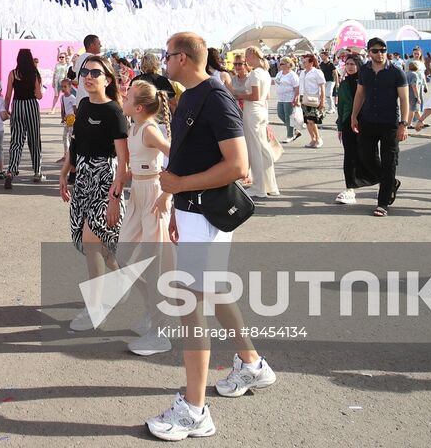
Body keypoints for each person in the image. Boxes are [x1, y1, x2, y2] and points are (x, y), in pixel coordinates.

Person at [148, 32, 275, 440]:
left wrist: (180, 188)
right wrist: (176, 205)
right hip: (193, 214)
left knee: (192, 307)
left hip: (205, 214)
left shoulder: (215, 97)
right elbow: (189, 158)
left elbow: (237, 165)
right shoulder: (191, 96)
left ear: (182, 58)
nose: (163, 61)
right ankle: (252, 364)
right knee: (216, 294)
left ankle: (195, 410)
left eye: (167, 55)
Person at [62, 54, 129, 331]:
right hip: (83, 179)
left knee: (92, 242)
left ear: (108, 79)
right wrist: (65, 172)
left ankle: (96, 307)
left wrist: (114, 198)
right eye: (84, 72)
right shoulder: (83, 105)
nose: (88, 76)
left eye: (95, 73)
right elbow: (76, 143)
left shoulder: (114, 112)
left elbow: (124, 160)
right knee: (99, 247)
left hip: (106, 180)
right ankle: (122, 282)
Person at [121, 79, 173, 356]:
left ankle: (160, 330)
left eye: (127, 97)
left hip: (153, 193)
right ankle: (151, 311)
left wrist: (167, 193)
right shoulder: (135, 126)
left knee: (154, 265)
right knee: (122, 258)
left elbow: (175, 156)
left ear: (138, 107)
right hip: (136, 193)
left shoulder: (150, 130)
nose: (123, 98)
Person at [350, 37, 409, 217]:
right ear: (368, 52)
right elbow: (360, 94)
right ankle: (390, 182)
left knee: (389, 161)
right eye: (375, 51)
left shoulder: (397, 72)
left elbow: (405, 100)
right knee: (365, 156)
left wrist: (404, 124)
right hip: (368, 121)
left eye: (383, 50)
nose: (380, 54)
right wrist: (354, 116)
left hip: (390, 123)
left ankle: (382, 203)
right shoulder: (365, 72)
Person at [332, 54, 376, 205]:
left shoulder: (367, 82)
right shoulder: (344, 84)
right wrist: (340, 126)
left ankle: (385, 181)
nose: (350, 66)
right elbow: (342, 106)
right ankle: (350, 188)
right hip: (347, 122)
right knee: (350, 156)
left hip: (366, 122)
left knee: (368, 154)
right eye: (348, 64)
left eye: (353, 64)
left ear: (359, 65)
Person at [237, 47, 278, 199]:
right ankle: (270, 185)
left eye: (247, 56)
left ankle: (259, 187)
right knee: (263, 148)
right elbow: (265, 96)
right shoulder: (265, 73)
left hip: (252, 112)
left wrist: (237, 94)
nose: (245, 59)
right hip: (260, 111)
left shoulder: (255, 73)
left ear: (253, 55)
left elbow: (254, 96)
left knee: (255, 149)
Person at [4, 47, 45, 187]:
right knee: (34, 139)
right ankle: (37, 171)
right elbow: (39, 95)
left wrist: (6, 109)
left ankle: (11, 170)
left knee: (16, 140)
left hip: (17, 106)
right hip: (31, 106)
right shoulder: (34, 73)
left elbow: (8, 94)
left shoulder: (13, 73)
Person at [297, 54, 326, 149]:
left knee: (311, 120)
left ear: (311, 62)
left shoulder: (317, 72)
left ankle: (318, 139)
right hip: (303, 98)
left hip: (313, 98)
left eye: (305, 61)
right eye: (302, 61)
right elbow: (299, 86)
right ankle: (313, 139)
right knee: (307, 121)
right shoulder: (302, 72)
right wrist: (297, 98)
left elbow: (322, 87)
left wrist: (322, 101)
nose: (303, 63)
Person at [273, 57, 300, 142]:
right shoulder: (279, 73)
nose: (280, 65)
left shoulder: (292, 75)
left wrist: (296, 98)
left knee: (289, 117)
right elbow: (275, 82)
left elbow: (297, 87)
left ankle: (290, 135)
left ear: (288, 64)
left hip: (289, 98)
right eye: (279, 63)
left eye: (282, 64)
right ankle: (294, 129)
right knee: (281, 115)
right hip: (281, 98)